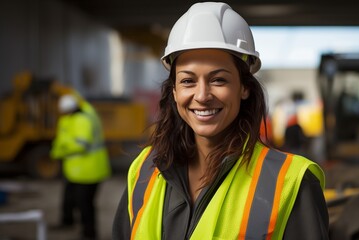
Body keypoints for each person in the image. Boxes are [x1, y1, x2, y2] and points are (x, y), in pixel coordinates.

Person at [112, 2, 328, 239]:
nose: (202, 96)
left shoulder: (291, 182)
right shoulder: (145, 168)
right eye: (187, 81)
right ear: (173, 90)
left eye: (219, 80)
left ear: (244, 87)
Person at [50, 93, 111, 240]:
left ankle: (89, 233)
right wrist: (57, 151)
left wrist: (61, 150)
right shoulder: (70, 119)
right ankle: (67, 221)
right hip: (75, 169)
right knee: (69, 197)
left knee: (85, 203)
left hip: (89, 170)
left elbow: (81, 145)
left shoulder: (83, 120)